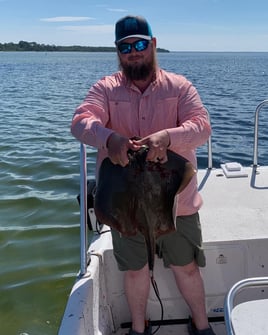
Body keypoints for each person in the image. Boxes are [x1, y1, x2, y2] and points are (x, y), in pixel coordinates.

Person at [71, 15, 215, 335]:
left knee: (186, 268)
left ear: (152, 44)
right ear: (118, 52)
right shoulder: (105, 89)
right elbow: (81, 122)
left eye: (139, 44)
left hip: (178, 202)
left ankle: (202, 326)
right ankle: (139, 328)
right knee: (135, 271)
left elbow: (202, 127)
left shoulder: (179, 87)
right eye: (126, 47)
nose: (133, 52)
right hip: (127, 206)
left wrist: (167, 138)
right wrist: (110, 139)